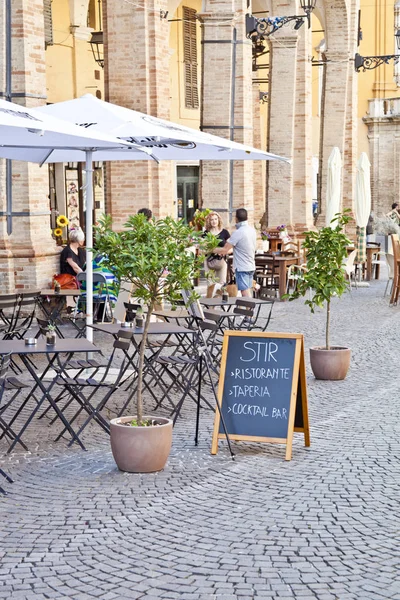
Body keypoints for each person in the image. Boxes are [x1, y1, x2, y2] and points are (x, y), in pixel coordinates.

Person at [213, 208, 256, 298]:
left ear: (236, 219)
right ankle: (249, 310)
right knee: (247, 289)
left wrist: (212, 250)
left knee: (244, 292)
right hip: (251, 265)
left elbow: (225, 249)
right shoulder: (252, 230)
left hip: (242, 266)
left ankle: (250, 311)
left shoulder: (238, 232)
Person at [204, 211, 230, 298]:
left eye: (215, 219)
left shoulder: (224, 233)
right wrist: (213, 250)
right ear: (209, 221)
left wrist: (222, 252)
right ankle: (211, 306)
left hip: (221, 261)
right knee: (210, 284)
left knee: (222, 284)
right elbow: (202, 250)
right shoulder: (206, 234)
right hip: (209, 261)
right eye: (211, 220)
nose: (214, 221)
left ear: (219, 220)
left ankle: (223, 304)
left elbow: (231, 248)